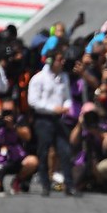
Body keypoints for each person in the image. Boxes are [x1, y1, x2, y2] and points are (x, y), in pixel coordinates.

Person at [28, 49, 76, 196]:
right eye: (59, 59)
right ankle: (45, 184)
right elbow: (33, 101)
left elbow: (67, 97)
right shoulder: (38, 78)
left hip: (59, 119)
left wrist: (66, 107)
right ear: (50, 61)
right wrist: (52, 108)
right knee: (43, 151)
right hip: (43, 119)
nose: (62, 62)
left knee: (65, 150)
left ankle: (69, 185)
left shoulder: (64, 77)